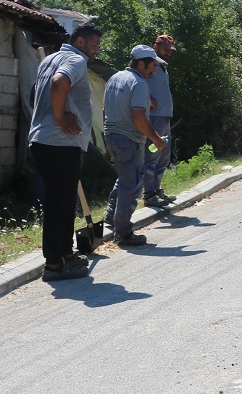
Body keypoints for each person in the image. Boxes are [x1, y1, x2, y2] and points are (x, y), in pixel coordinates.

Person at [29, 22, 101, 281]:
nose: (96, 51)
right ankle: (55, 265)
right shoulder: (75, 60)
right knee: (60, 204)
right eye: (94, 45)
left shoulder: (48, 61)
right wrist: (60, 119)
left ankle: (64, 254)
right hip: (59, 141)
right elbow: (59, 84)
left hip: (43, 139)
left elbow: (36, 95)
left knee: (60, 202)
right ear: (80, 42)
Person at [103, 45, 167, 246]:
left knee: (124, 177)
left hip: (111, 136)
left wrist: (107, 136)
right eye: (152, 66)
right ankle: (123, 233)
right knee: (132, 185)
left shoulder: (115, 78)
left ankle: (111, 216)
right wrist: (156, 139)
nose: (154, 71)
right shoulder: (139, 83)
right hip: (129, 139)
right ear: (141, 64)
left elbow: (105, 110)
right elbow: (138, 116)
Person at [142, 34, 177, 208]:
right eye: (166, 49)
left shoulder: (162, 66)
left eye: (171, 50)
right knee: (152, 154)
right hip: (154, 118)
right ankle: (148, 194)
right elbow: (139, 82)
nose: (169, 53)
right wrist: (147, 98)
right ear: (156, 46)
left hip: (164, 117)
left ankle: (157, 189)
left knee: (164, 155)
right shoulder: (149, 64)